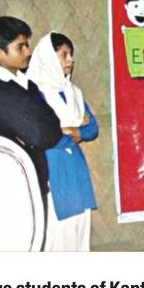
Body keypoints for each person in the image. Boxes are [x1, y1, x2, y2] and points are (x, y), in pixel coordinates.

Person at [0, 16, 63, 249]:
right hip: (13, 186)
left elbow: (53, 127)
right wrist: (43, 128)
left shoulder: (29, 85)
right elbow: (41, 135)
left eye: (27, 45)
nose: (28, 51)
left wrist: (42, 129)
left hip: (36, 179)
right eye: (20, 47)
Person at [27, 32, 99, 251]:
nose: (71, 60)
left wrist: (71, 130)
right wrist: (74, 130)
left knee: (80, 227)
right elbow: (41, 134)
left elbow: (92, 129)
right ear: (49, 58)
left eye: (71, 54)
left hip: (75, 164)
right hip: (51, 166)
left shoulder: (74, 92)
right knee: (57, 234)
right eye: (64, 55)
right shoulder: (34, 94)